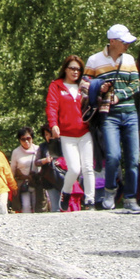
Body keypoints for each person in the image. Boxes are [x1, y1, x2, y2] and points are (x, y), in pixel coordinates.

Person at [85, 24, 140, 213]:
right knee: (112, 156)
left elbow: (136, 84)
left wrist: (120, 95)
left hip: (130, 114)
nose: (128, 44)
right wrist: (99, 87)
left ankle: (130, 198)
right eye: (124, 41)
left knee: (133, 158)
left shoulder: (129, 59)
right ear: (113, 41)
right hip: (108, 115)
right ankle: (110, 190)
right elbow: (84, 86)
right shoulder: (94, 60)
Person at [44, 54, 96, 209]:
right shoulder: (56, 86)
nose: (75, 72)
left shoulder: (84, 86)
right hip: (66, 134)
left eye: (79, 69)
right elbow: (52, 106)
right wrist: (53, 125)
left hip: (85, 132)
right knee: (74, 169)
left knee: (88, 167)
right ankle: (66, 192)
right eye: (72, 68)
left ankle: (90, 200)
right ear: (65, 69)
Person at [10, 128, 42, 213]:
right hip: (23, 183)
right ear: (19, 140)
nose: (26, 141)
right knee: (26, 205)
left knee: (37, 205)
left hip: (36, 182)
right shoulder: (16, 152)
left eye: (28, 138)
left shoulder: (38, 149)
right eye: (23, 139)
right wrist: (12, 185)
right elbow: (12, 169)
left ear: (32, 138)